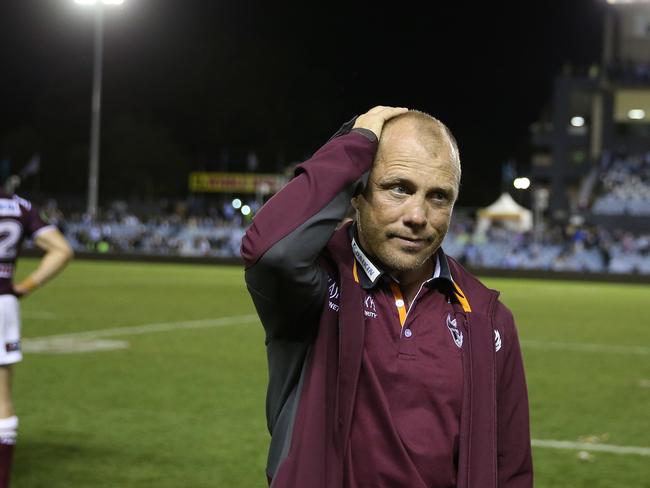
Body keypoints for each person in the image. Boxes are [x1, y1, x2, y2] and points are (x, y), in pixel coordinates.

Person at [241, 106, 532, 487]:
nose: (417, 215)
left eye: (439, 197)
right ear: (357, 193)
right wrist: (353, 145)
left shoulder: (486, 319)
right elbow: (270, 251)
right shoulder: (314, 284)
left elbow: (510, 470)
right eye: (399, 188)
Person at [0, 188, 74, 487]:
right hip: (3, 303)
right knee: (1, 402)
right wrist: (25, 286)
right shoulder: (18, 206)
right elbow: (62, 250)